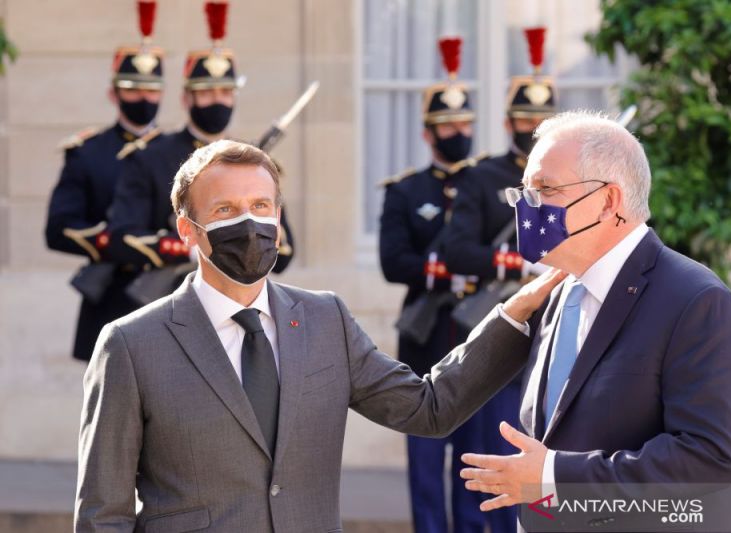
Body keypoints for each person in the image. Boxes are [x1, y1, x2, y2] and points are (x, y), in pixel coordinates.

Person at [73, 139, 566, 532]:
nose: (249, 222)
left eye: (261, 205)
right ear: (188, 229)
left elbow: (427, 408)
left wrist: (513, 316)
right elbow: (103, 514)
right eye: (225, 210)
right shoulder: (131, 344)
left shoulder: (324, 319)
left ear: (279, 220)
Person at [459, 111, 731, 532]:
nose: (527, 207)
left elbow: (709, 459)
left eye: (545, 189)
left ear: (609, 202)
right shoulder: (558, 293)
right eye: (523, 191)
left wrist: (556, 477)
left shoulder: (697, 300)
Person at [442, 27, 555, 531]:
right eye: (525, 119)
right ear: (509, 121)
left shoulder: (571, 179)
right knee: (487, 459)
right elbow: (455, 248)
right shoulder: (484, 177)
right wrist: (510, 261)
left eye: (542, 120)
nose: (533, 127)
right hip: (505, 327)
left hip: (553, 331)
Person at [106, 0, 294, 292]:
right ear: (186, 99)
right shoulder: (151, 156)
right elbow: (123, 237)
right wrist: (191, 247)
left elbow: (283, 254)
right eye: (206, 93)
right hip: (167, 298)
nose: (217, 101)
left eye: (225, 92)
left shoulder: (253, 161)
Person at [378, 36, 488, 532]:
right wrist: (442, 269)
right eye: (447, 126)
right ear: (428, 133)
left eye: (464, 124)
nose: (457, 133)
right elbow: (392, 261)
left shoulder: (487, 185)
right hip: (425, 339)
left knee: (475, 469)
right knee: (426, 470)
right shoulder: (407, 190)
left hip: (477, 338)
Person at [44, 1, 164, 362]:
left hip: (167, 292)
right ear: (113, 93)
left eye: (151, 89)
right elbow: (59, 228)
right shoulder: (88, 152)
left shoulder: (176, 151)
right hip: (111, 294)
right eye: (132, 88)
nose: (143, 98)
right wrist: (116, 244)